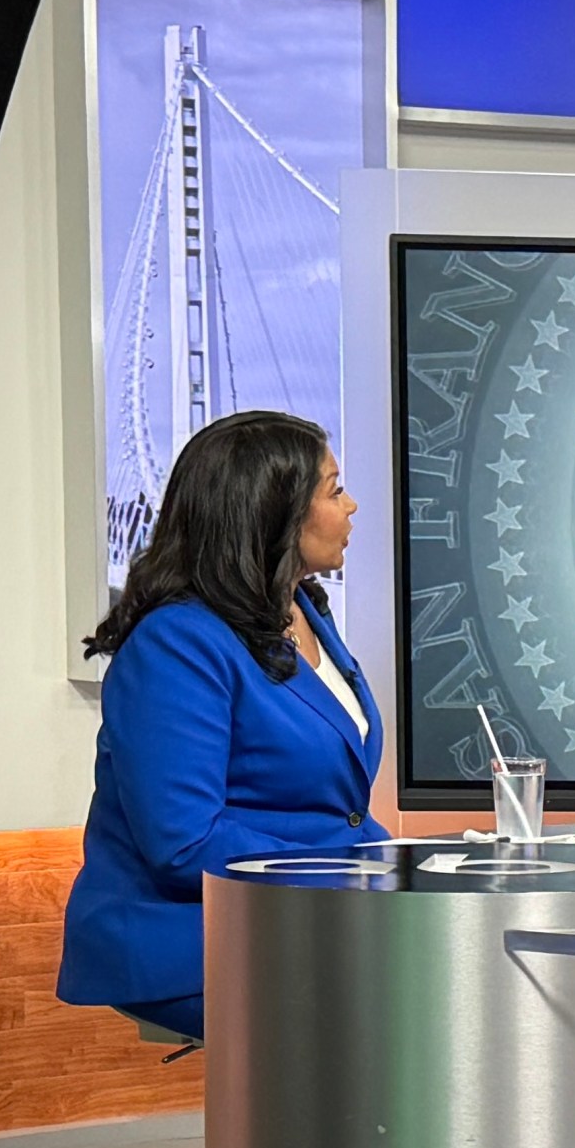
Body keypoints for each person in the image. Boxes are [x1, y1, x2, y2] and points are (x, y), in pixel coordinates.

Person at [58, 410, 376, 1042]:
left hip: (314, 920)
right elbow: (183, 842)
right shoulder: (177, 643)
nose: (353, 506)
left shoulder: (304, 609)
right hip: (192, 938)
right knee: (432, 1009)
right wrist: (351, 871)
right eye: (335, 490)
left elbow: (335, 804)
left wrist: (410, 862)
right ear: (275, 511)